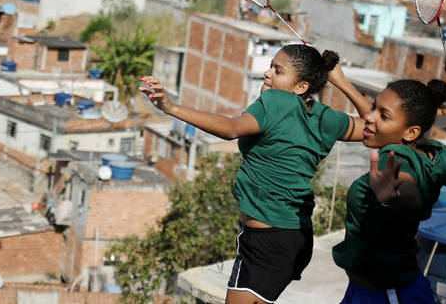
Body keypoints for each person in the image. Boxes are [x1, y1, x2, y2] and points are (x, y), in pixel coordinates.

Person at [140, 44, 365, 304]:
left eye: (278, 71)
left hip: (265, 242)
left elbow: (232, 128)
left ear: (300, 87)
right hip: (293, 237)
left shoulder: (277, 101)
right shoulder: (324, 116)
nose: (267, 74)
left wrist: (171, 107)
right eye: (270, 66)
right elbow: (374, 127)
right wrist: (341, 82)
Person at [327, 67, 446, 304]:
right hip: (377, 290)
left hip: (386, 296)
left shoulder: (395, 158)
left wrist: (394, 197)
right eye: (374, 107)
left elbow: (407, 191)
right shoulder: (435, 155)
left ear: (411, 132)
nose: (370, 116)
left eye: (383, 115)